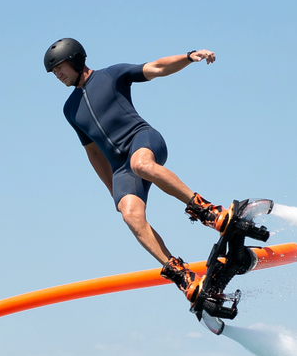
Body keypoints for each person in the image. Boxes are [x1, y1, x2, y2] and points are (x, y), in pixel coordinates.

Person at [45, 37, 233, 304]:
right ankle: (181, 274)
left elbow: (156, 67)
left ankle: (208, 211)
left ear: (75, 60)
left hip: (142, 140)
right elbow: (94, 153)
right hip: (120, 167)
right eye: (53, 73)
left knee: (141, 164)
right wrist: (113, 190)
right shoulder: (69, 109)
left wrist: (190, 56)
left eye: (59, 67)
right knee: (129, 214)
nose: (58, 75)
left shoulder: (111, 75)